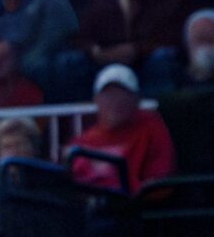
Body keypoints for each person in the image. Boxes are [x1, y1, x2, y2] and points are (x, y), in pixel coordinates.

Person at [70, 64, 179, 193]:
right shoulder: (82, 143)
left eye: (123, 94)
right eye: (108, 94)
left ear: (137, 98)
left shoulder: (152, 128)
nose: (116, 101)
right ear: (96, 100)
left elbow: (160, 181)